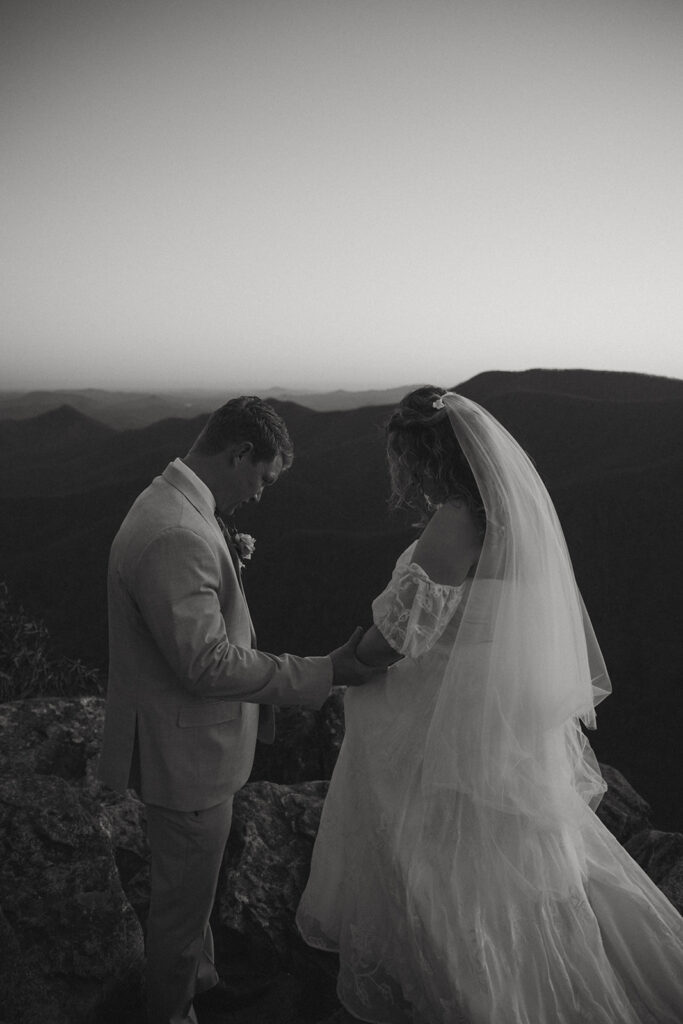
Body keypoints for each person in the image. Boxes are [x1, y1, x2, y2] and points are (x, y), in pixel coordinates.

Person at [296, 387, 683, 1024]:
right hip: (486, 719)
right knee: (502, 871)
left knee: (444, 873)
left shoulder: (457, 520)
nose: (408, 477)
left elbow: (402, 633)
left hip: (443, 727)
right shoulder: (506, 521)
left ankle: (483, 998)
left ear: (430, 458)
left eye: (410, 462)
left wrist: (345, 660)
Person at [98, 395, 380, 1024]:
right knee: (179, 910)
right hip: (186, 759)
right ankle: (170, 1011)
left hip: (182, 750)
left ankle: (201, 982)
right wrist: (323, 671)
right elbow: (207, 665)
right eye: (263, 477)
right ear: (239, 453)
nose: (260, 493)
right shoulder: (176, 532)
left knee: (191, 897)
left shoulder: (174, 504)